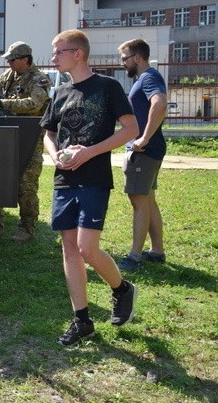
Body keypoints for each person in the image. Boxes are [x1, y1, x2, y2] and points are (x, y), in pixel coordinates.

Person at [40, 29, 140, 346]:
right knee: (69, 248)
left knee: (87, 248)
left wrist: (90, 152)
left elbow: (131, 129)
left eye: (58, 52)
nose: (53, 58)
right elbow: (49, 133)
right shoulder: (60, 93)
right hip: (63, 180)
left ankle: (122, 289)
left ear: (77, 53)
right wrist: (55, 154)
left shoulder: (107, 87)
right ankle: (82, 320)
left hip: (94, 178)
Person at [0, 41, 51, 241]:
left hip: (29, 137)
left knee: (26, 184)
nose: (8, 63)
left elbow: (34, 104)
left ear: (25, 60)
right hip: (4, 135)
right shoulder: (8, 76)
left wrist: (4, 102)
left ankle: (27, 227)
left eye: (12, 59)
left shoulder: (39, 79)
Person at [116, 39, 168, 271]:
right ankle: (156, 251)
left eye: (124, 58)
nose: (122, 63)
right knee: (147, 199)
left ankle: (134, 256)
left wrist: (143, 138)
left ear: (137, 57)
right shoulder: (145, 78)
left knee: (138, 201)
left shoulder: (149, 78)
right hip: (150, 148)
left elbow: (160, 104)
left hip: (144, 150)